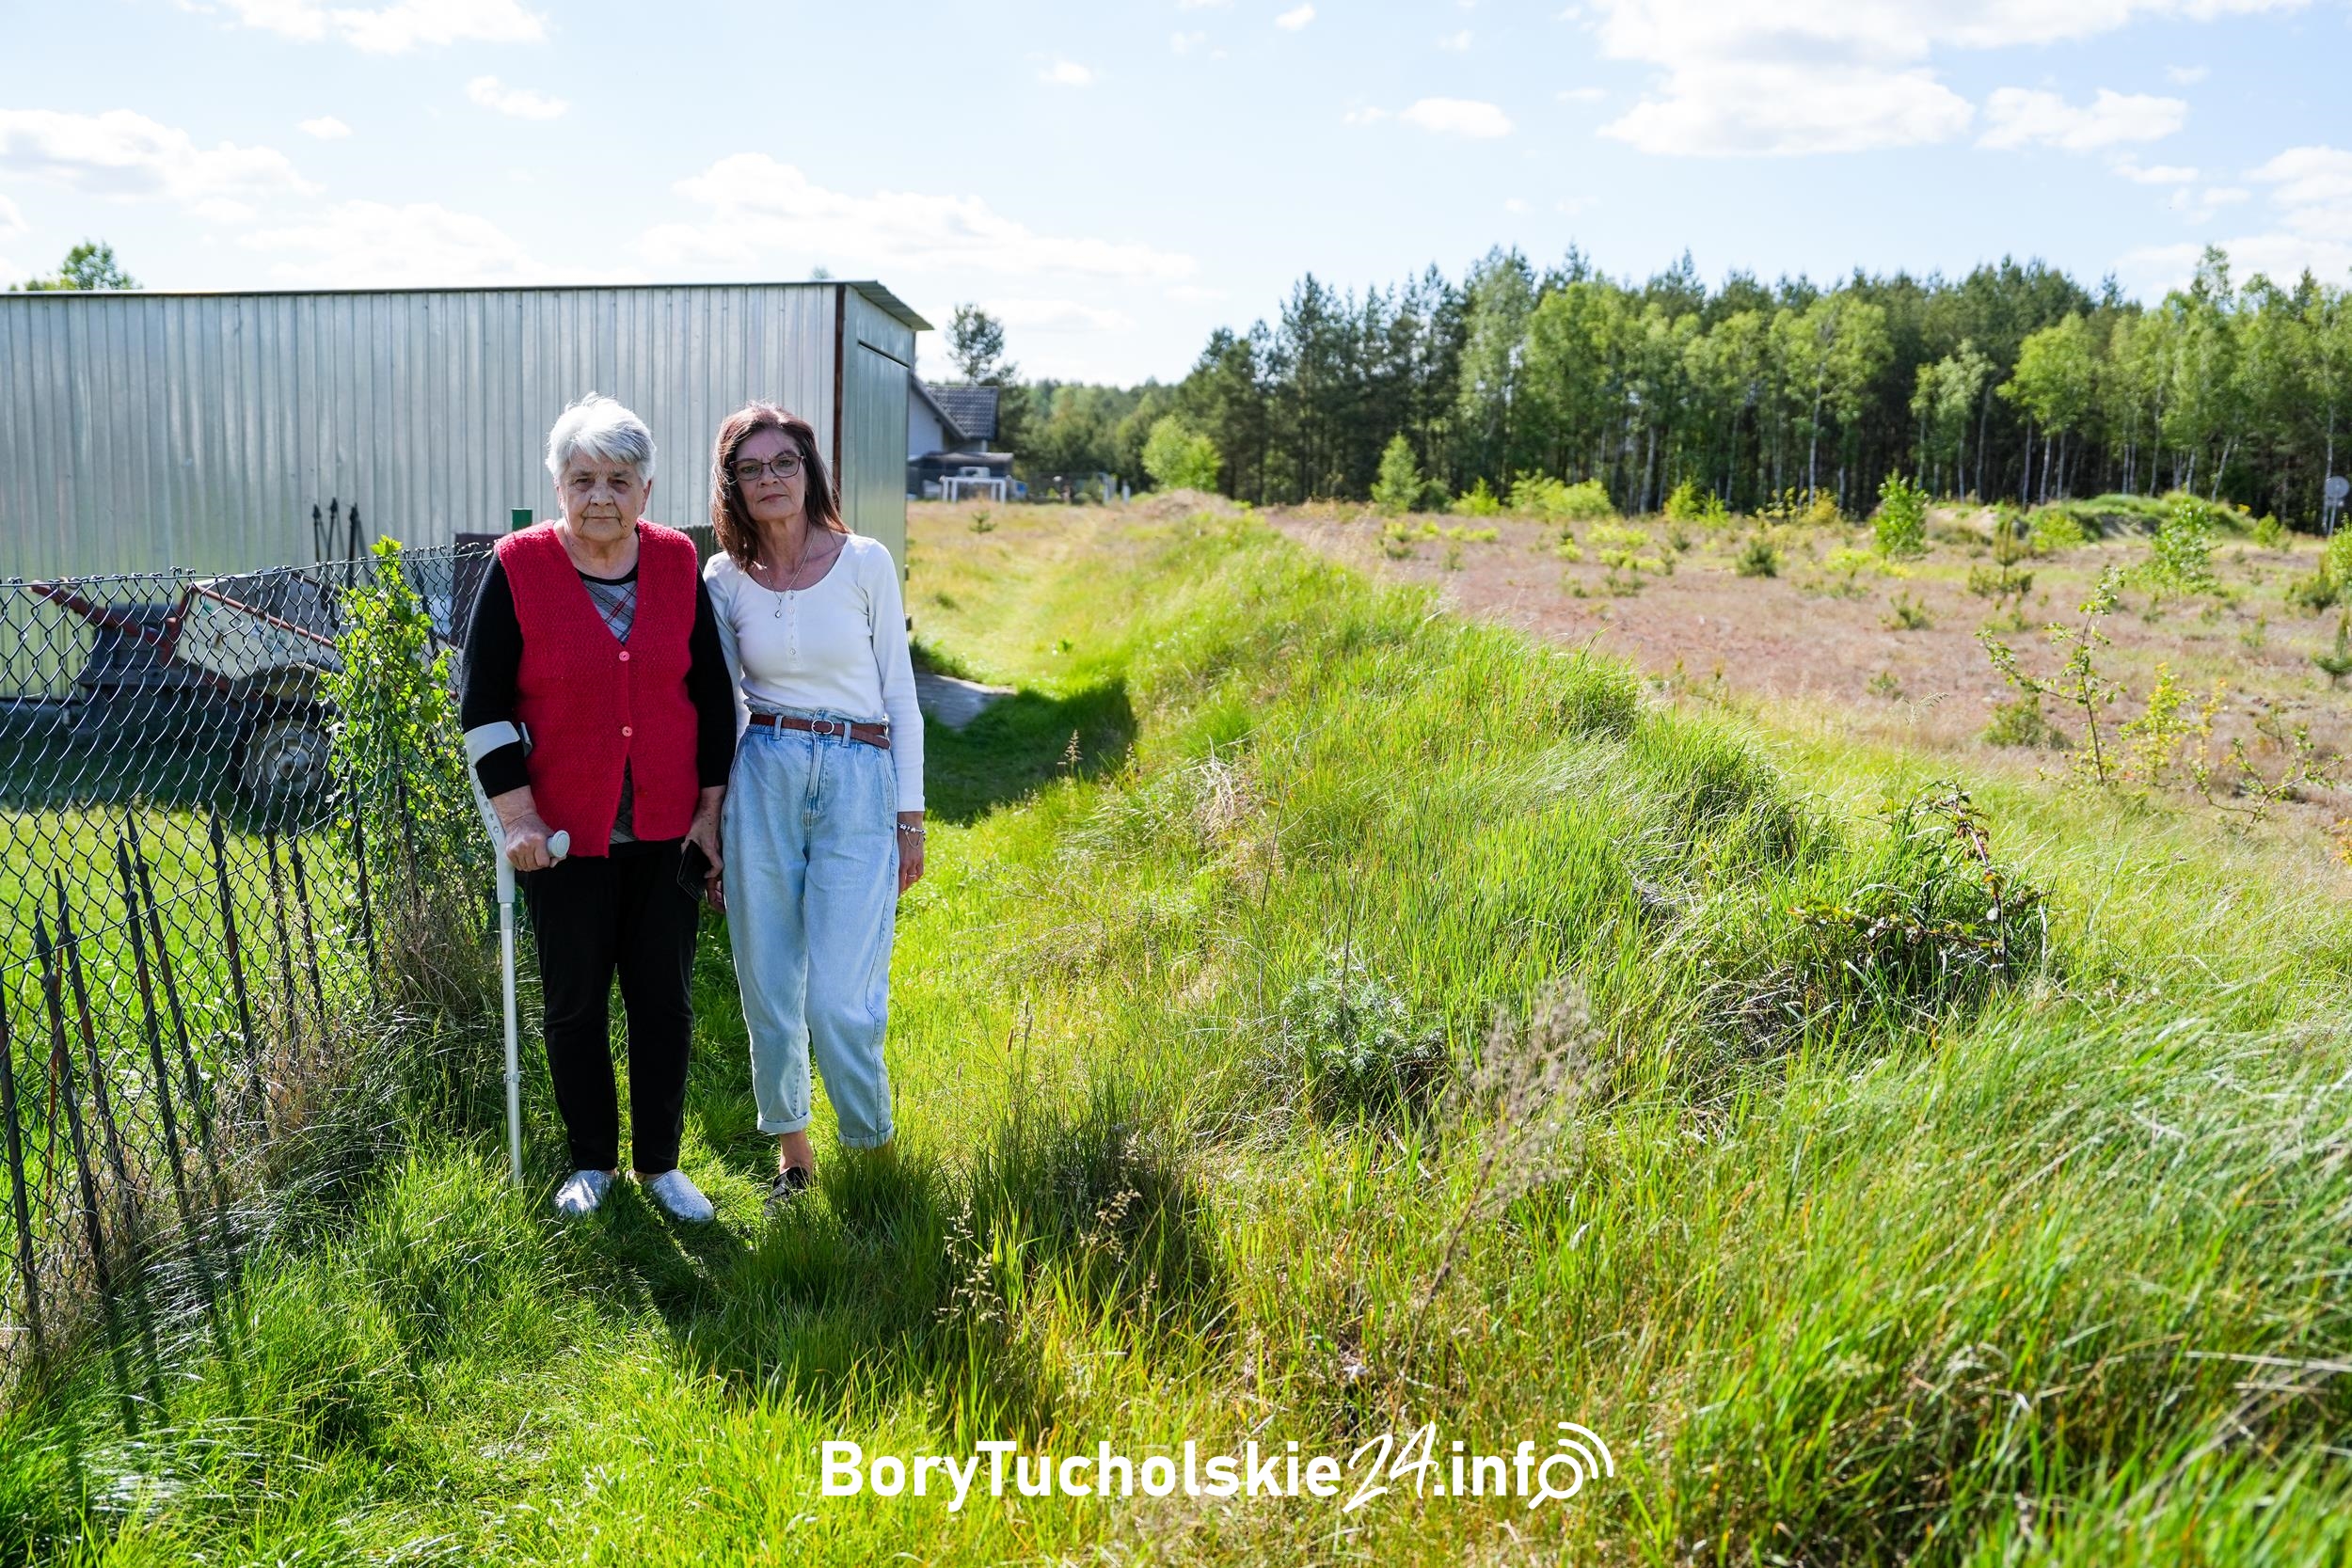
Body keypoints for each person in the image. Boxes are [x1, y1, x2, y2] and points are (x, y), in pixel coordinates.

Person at [459, 392, 735, 1222]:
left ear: (647, 489)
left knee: (664, 1003)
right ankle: (592, 1162)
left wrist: (709, 814)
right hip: (561, 838)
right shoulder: (518, 567)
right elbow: (483, 706)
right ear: (559, 487)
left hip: (665, 831)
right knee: (574, 1004)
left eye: (619, 479)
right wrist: (518, 818)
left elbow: (711, 697)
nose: (601, 497)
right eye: (583, 479)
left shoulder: (678, 562)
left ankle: (660, 1165)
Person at [702, 403, 923, 1211]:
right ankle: (794, 1156)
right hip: (763, 773)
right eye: (750, 468)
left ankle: (872, 1149)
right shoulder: (722, 579)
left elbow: (901, 695)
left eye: (783, 462)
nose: (770, 479)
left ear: (809, 469)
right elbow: (718, 706)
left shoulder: (865, 561)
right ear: (732, 484)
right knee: (768, 984)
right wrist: (713, 821)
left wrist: (911, 817)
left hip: (859, 775)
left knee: (839, 997)